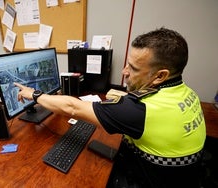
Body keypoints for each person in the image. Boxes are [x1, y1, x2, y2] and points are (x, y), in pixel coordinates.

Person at [14, 27, 206, 188]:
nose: (124, 72)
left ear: (160, 76)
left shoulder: (142, 110)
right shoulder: (189, 93)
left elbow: (72, 107)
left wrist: (34, 94)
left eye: (133, 68)